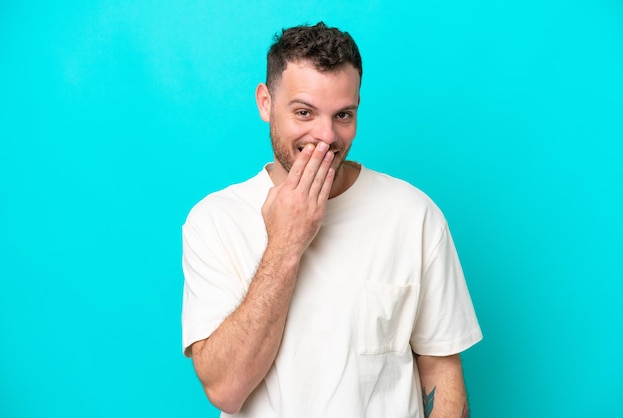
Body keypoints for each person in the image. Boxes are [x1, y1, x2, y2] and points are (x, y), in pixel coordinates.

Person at [182, 22, 482, 418]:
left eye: (343, 115)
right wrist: (287, 239)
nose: (326, 136)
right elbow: (225, 389)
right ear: (266, 102)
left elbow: (441, 369)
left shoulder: (413, 215)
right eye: (304, 112)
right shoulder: (215, 221)